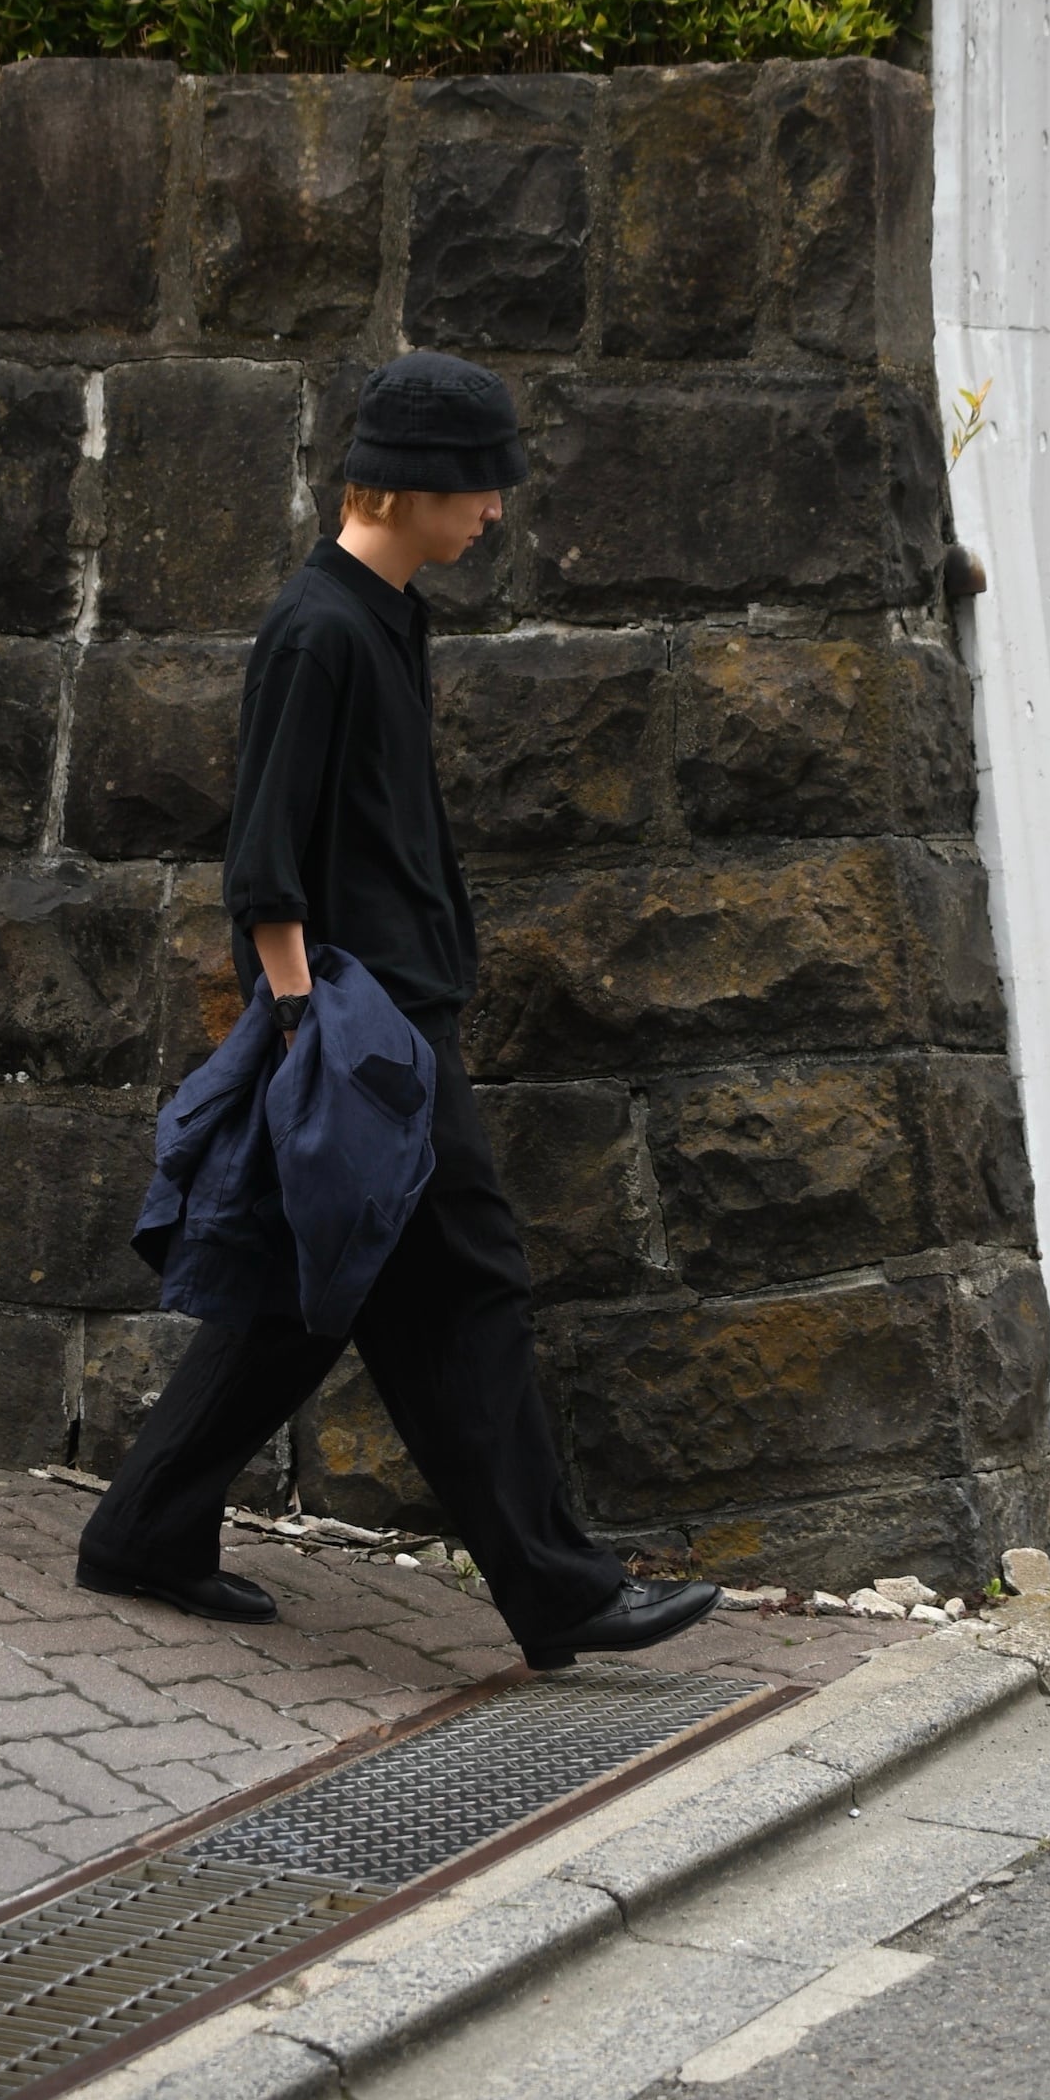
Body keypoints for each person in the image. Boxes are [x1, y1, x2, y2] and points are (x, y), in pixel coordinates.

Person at [78, 350, 720, 1671]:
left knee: (309, 1286)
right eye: (480, 483)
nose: (494, 508)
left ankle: (143, 1529)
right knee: (469, 1282)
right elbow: (263, 855)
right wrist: (305, 1026)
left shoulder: (387, 615)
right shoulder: (317, 629)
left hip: (388, 1010)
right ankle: (561, 1591)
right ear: (418, 481)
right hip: (364, 1029)